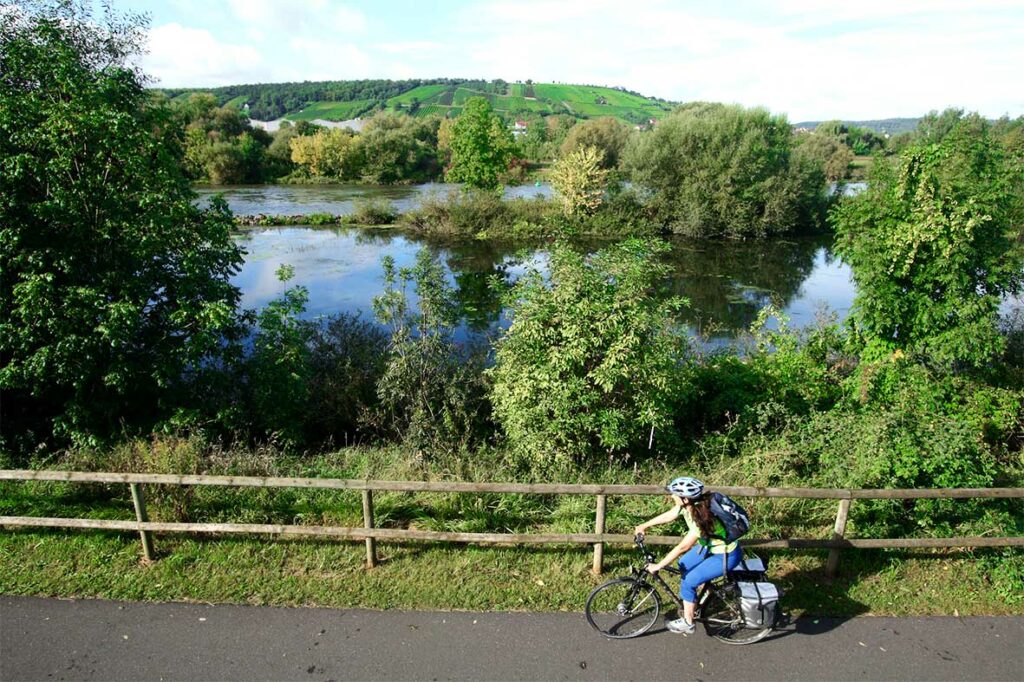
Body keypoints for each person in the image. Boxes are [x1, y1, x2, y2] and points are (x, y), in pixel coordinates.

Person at [634, 476, 743, 635]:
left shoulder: (702, 518)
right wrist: (645, 525)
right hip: (710, 548)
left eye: (675, 494)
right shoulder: (690, 505)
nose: (672, 496)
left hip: (725, 555)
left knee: (688, 581)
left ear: (685, 499)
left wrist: (658, 566)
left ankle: (688, 622)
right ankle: (696, 598)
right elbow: (670, 514)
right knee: (684, 564)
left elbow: (682, 547)